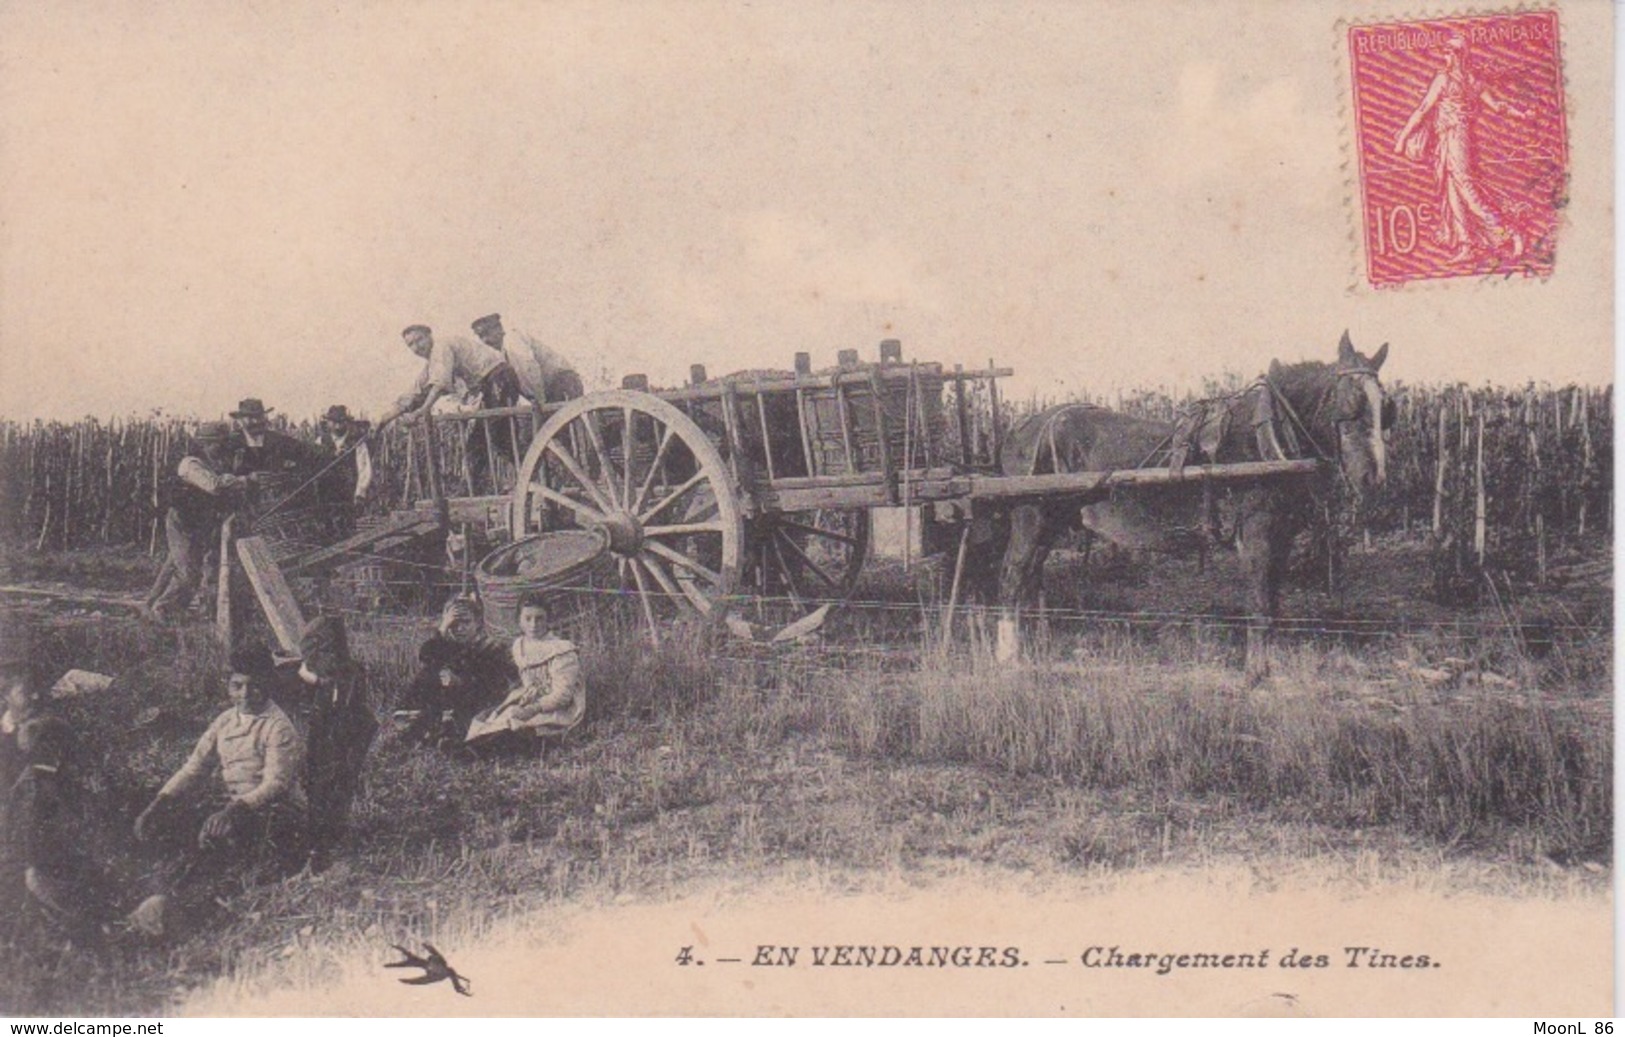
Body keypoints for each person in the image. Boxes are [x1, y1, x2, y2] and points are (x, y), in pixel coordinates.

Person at [129, 645, 306, 936]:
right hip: (232, 804)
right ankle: (158, 893)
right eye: (238, 686)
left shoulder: (278, 727)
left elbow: (276, 784)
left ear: (268, 686)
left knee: (224, 843)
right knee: (169, 823)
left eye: (254, 686)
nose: (246, 694)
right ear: (229, 686)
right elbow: (194, 767)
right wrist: (158, 803)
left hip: (275, 810)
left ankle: (194, 906)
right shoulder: (225, 721)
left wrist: (232, 811)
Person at [1393, 33, 1529, 264]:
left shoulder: (1451, 80)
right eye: (1445, 51)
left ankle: (1508, 232)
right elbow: (1497, 106)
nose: (1444, 55)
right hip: (1446, 139)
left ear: (1458, 55)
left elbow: (1424, 109)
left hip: (1457, 137)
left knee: (1466, 188)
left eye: (1448, 51)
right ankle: (1468, 245)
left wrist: (1402, 139)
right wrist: (1521, 114)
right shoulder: (1464, 80)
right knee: (1452, 191)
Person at [2, 717, 114, 941]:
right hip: (37, 874)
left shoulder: (53, 782)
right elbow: (28, 845)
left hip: (52, 866)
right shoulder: (35, 788)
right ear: (53, 749)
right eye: (67, 746)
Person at [277, 615, 376, 869]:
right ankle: (318, 831)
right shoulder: (306, 675)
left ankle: (331, 832)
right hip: (320, 733)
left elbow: (343, 694)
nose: (325, 657)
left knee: (339, 780)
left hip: (346, 734)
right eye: (320, 649)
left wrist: (319, 680)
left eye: (330, 649)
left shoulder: (350, 673)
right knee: (317, 780)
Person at [376, 324, 524, 488]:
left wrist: (423, 410)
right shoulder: (432, 362)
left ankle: (521, 479)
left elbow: (439, 383)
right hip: (491, 385)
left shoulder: (441, 347)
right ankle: (480, 487)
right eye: (411, 344)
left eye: (420, 340)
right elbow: (415, 393)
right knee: (486, 440)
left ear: (430, 336)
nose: (417, 347)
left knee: (493, 436)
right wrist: (384, 420)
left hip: (499, 379)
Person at [142, 422, 259, 621]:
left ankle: (150, 604)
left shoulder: (216, 463)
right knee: (188, 572)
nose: (221, 449)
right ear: (205, 444)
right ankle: (164, 610)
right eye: (217, 444)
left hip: (201, 521)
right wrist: (245, 481)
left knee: (181, 564)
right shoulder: (191, 464)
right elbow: (214, 486)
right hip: (182, 521)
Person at [465, 594, 585, 748]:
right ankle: (469, 744)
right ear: (519, 621)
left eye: (539, 618)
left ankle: (476, 749)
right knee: (489, 716)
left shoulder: (562, 650)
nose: (533, 624)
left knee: (515, 729)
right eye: (528, 618)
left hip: (557, 710)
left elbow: (563, 696)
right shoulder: (520, 645)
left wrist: (532, 709)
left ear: (549, 620)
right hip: (531, 701)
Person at [394, 597, 514, 749]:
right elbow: (425, 655)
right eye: (454, 624)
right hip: (448, 701)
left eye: (466, 622)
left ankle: (440, 730)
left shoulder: (489, 648)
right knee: (429, 672)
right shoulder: (448, 645)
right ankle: (419, 720)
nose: (460, 629)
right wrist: (442, 630)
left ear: (477, 623)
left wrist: (461, 682)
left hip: (478, 701)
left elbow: (492, 685)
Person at [470, 313, 584, 405]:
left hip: (562, 382)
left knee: (560, 426)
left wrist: (540, 404)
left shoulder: (513, 341)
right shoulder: (501, 352)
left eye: (487, 333)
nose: (485, 340)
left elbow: (529, 370)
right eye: (481, 336)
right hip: (550, 388)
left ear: (498, 329)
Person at [315, 405, 375, 537]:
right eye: (334, 422)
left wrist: (360, 493)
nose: (337, 426)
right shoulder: (320, 441)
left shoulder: (357, 442)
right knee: (327, 528)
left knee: (348, 527)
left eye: (340, 422)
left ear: (346, 422)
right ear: (328, 422)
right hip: (327, 493)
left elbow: (364, 469)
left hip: (349, 491)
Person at [229, 398, 320, 479]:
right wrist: (244, 480)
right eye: (250, 418)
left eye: (259, 417)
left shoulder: (277, 440)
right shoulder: (230, 443)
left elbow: (306, 451)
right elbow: (217, 478)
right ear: (240, 419)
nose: (256, 421)